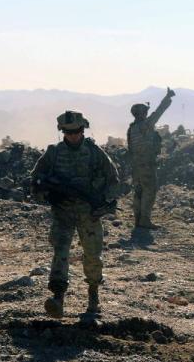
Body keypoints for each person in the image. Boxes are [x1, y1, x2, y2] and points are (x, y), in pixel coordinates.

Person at [30, 110, 119, 318]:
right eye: (68, 132)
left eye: (77, 131)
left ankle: (93, 296)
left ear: (83, 130)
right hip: (63, 212)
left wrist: (104, 202)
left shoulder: (95, 152)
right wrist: (49, 196)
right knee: (60, 252)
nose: (73, 136)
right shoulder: (53, 153)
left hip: (89, 212)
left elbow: (113, 179)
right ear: (62, 132)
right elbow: (36, 180)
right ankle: (58, 298)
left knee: (92, 255)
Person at [127, 87, 174, 229]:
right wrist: (167, 98)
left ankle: (138, 220)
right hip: (146, 164)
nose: (147, 114)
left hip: (136, 165)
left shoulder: (132, 128)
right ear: (142, 114)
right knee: (150, 190)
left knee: (139, 191)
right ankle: (145, 220)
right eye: (145, 112)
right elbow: (159, 112)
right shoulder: (145, 125)